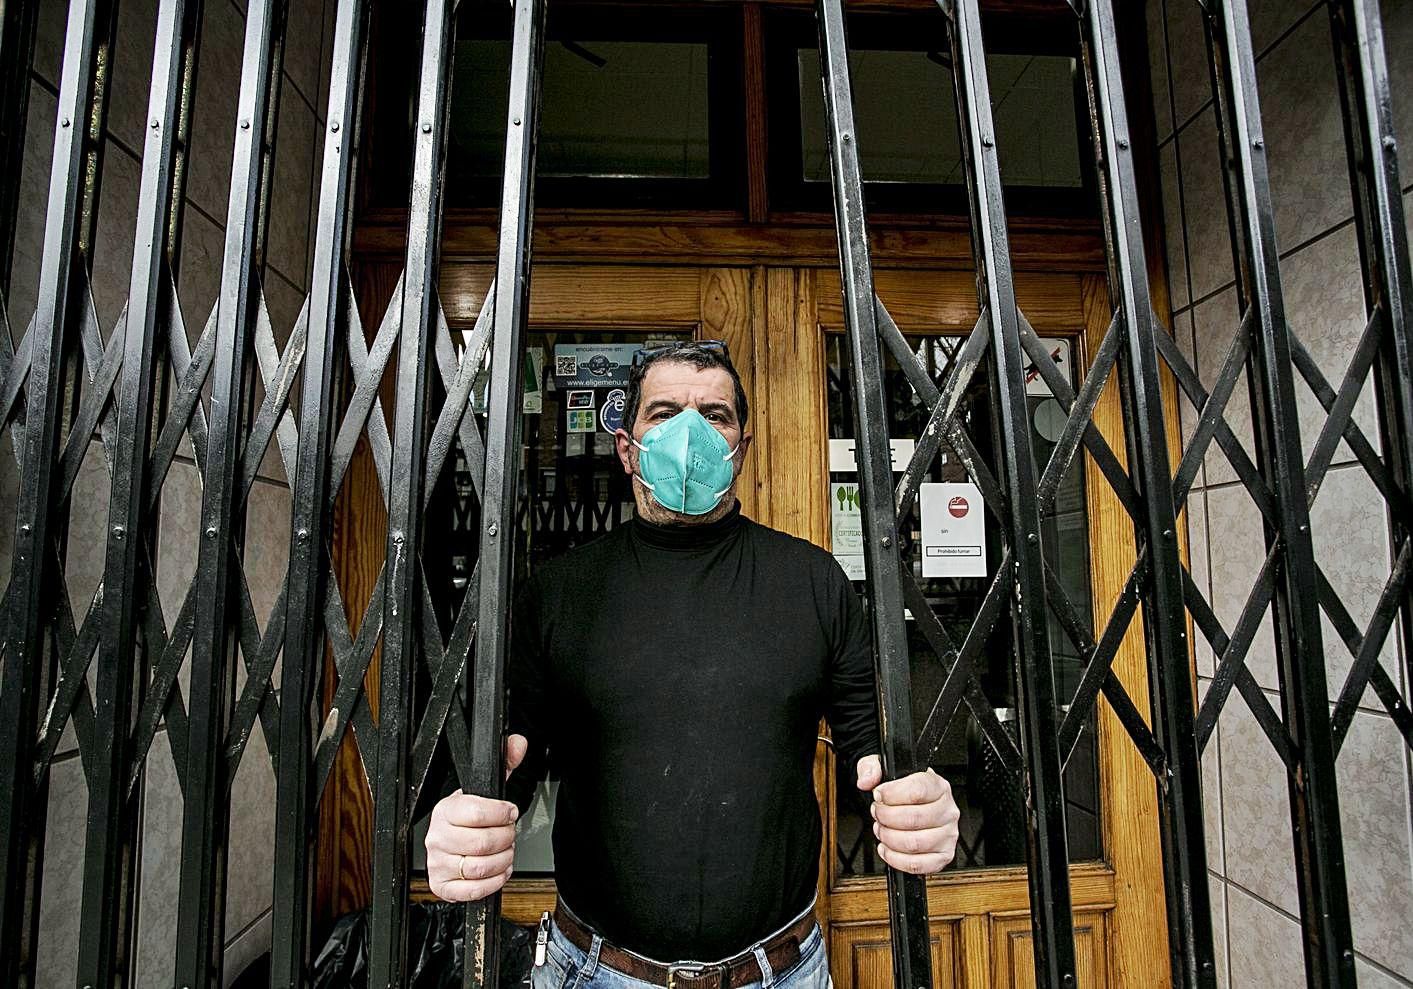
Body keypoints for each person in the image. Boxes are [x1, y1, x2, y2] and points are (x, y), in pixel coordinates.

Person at [425, 341, 960, 989]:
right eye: (664, 411)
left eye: (714, 413)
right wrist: (464, 821)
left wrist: (917, 807)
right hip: (594, 970)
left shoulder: (811, 580)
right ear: (626, 448)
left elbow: (870, 756)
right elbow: (514, 756)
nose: (690, 430)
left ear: (741, 445)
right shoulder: (562, 590)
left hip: (782, 970)